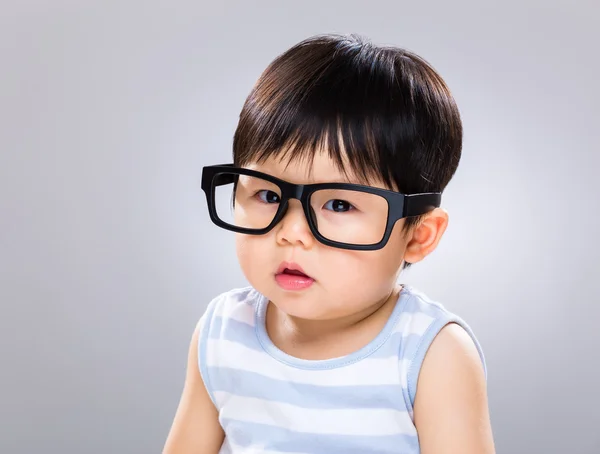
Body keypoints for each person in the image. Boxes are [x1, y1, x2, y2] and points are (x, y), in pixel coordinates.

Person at [163, 33, 495, 454]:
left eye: (338, 203)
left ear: (417, 236)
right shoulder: (224, 332)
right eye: (267, 195)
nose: (292, 232)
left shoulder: (431, 354)